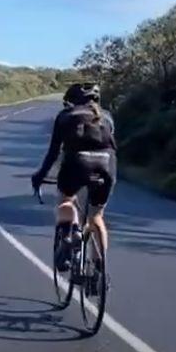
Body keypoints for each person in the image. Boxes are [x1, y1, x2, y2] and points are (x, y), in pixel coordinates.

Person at [31, 83, 117, 275]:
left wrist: (40, 176)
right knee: (96, 217)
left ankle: (70, 234)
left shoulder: (65, 116)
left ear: (70, 101)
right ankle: (98, 272)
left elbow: (53, 153)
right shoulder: (107, 117)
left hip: (76, 163)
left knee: (66, 200)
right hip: (106, 164)